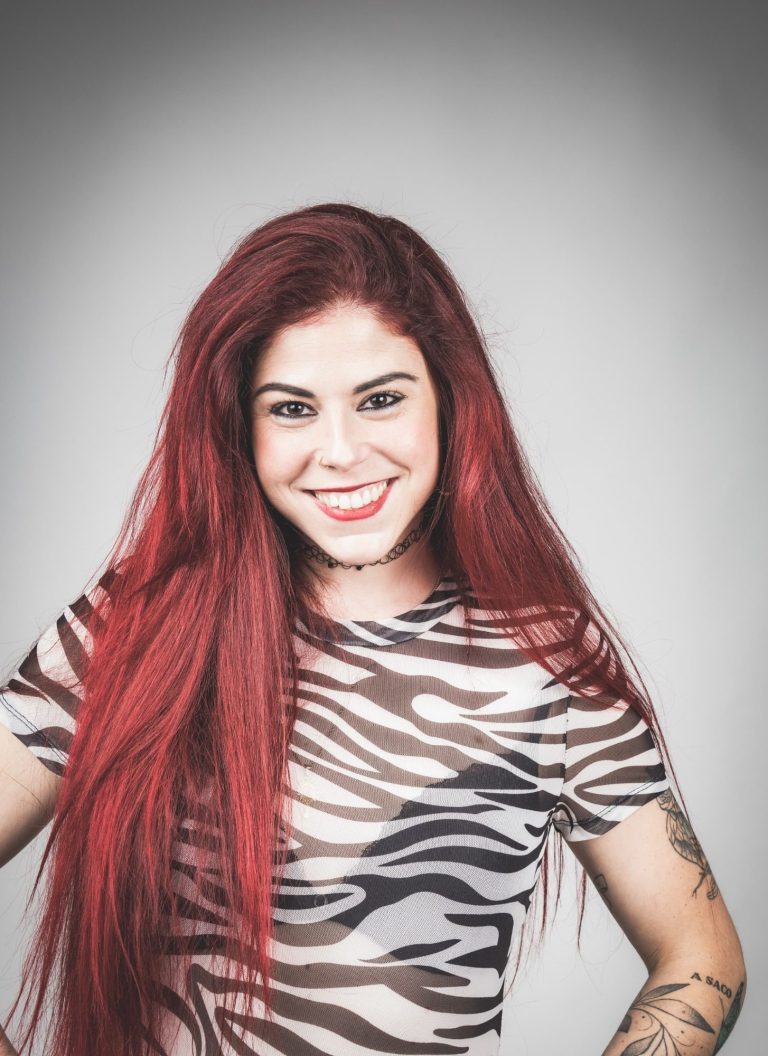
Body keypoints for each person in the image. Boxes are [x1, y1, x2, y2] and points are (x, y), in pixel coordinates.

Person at [0, 202, 745, 1056]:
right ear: (239, 426)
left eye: (380, 399)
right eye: (292, 409)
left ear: (451, 401)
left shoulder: (548, 659)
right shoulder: (136, 625)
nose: (341, 451)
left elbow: (703, 959)